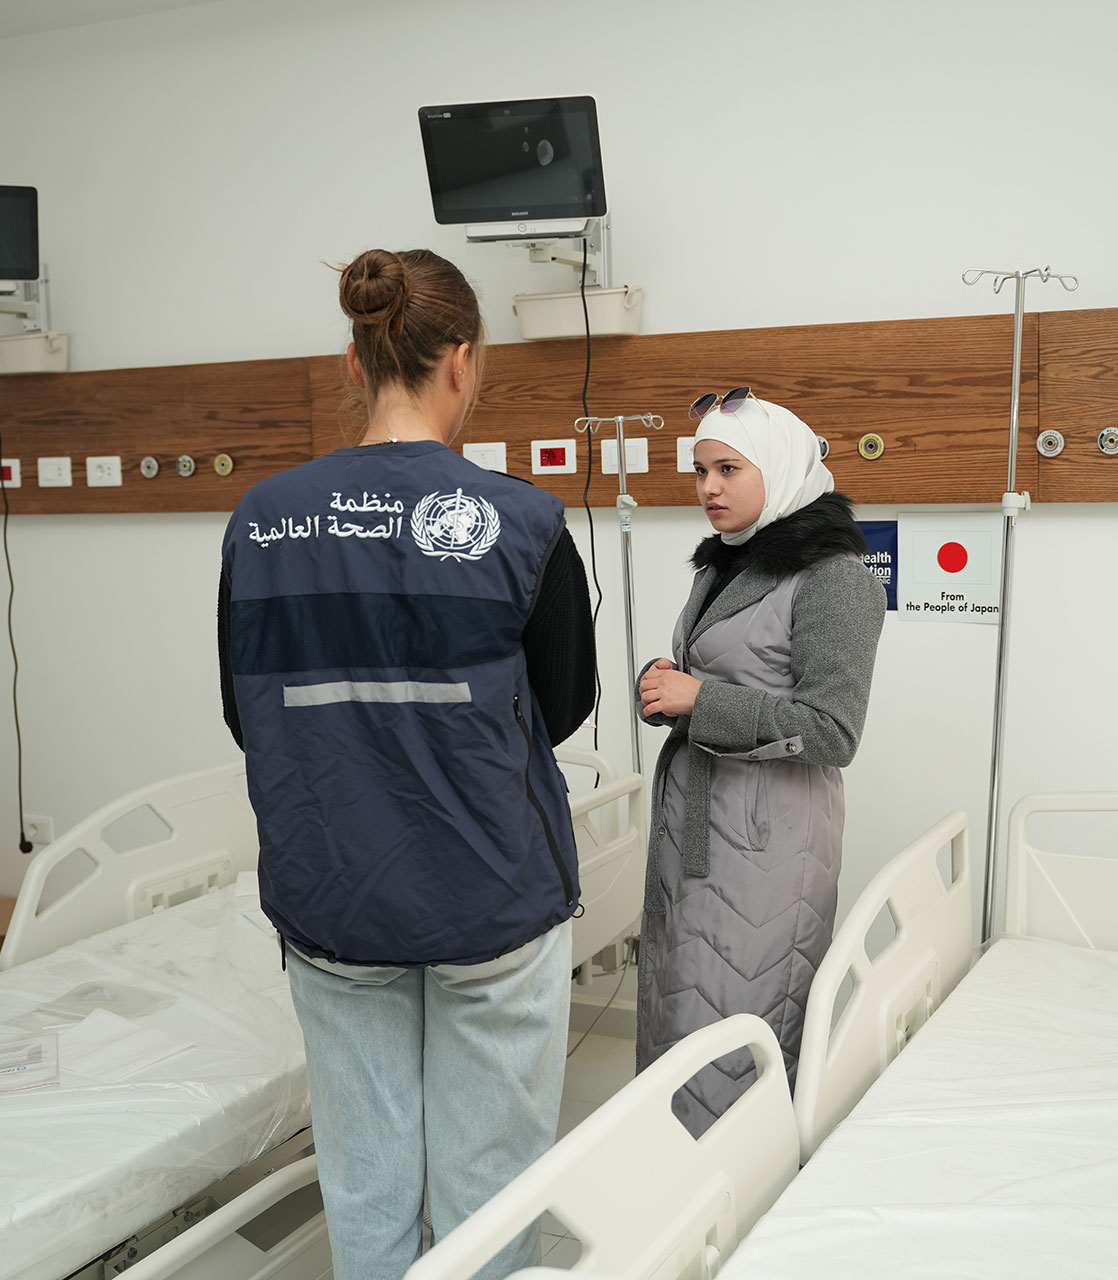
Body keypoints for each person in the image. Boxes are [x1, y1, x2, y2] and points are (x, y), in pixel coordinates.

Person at [217, 248, 595, 1280]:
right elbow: (561, 708)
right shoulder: (522, 523)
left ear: (354, 360)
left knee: (367, 1177)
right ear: (461, 362)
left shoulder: (263, 523)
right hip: (491, 894)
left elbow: (247, 712)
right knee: (491, 1187)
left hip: (333, 893)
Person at [634, 388, 886, 1136]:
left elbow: (834, 730)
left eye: (728, 470)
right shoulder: (725, 563)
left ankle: (739, 1190)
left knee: (741, 1014)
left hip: (767, 840)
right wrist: (665, 686)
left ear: (779, 470)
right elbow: (718, 678)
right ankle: (672, 1176)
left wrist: (699, 698)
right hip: (699, 821)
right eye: (700, 470)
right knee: (679, 997)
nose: (708, 488)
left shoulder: (836, 577)